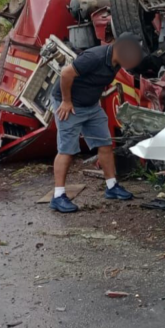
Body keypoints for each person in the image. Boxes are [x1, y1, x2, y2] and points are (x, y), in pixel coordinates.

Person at [49, 32, 144, 213]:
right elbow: (66, 73)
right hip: (70, 105)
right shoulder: (96, 56)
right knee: (67, 150)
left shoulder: (117, 63)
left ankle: (112, 186)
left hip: (91, 106)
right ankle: (58, 196)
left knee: (105, 144)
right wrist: (67, 101)